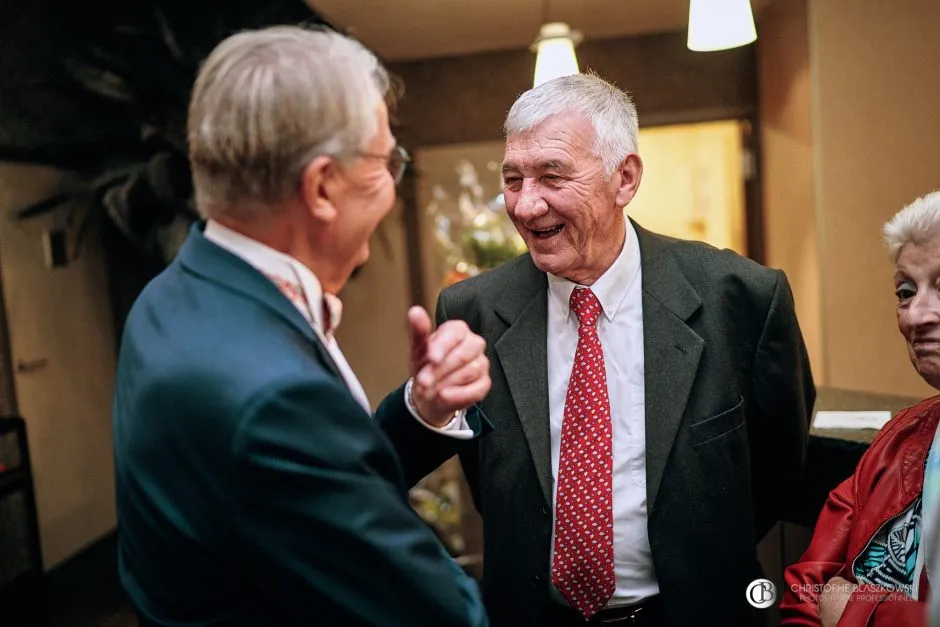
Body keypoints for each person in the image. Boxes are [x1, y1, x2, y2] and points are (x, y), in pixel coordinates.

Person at [381, 73, 815, 626]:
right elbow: (387, 467)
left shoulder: (741, 298)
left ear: (625, 178)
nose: (526, 205)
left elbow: (780, 464)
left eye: (552, 176)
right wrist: (425, 405)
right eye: (512, 179)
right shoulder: (473, 312)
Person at [112, 26, 492, 626]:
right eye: (386, 160)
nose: (393, 184)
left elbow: (300, 492)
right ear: (321, 187)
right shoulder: (273, 396)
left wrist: (421, 407)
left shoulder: (174, 294)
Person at [782, 190, 940, 627]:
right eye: (906, 291)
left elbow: (833, 600)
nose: (916, 316)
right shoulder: (899, 441)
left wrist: (854, 609)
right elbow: (806, 591)